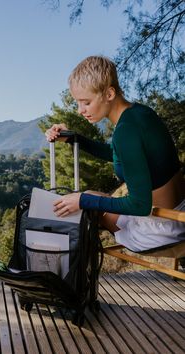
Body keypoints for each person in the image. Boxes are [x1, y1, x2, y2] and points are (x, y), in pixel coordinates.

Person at [45, 55, 185, 252]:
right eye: (77, 103)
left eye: (85, 102)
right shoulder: (140, 113)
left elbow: (140, 206)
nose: (80, 110)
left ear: (109, 94)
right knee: (87, 197)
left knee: (81, 206)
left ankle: (74, 275)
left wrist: (82, 201)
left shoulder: (125, 132)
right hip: (178, 213)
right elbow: (118, 154)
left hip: (161, 230)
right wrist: (73, 138)